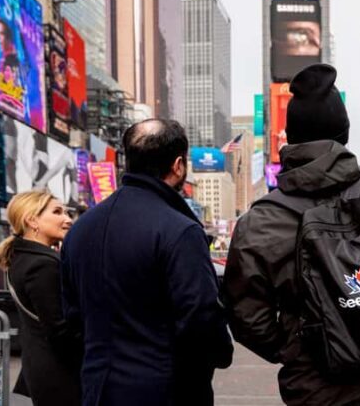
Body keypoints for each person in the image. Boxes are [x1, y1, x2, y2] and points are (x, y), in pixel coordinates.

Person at [222, 64, 360, 405]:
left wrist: (300, 346)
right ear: (343, 133)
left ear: (291, 139)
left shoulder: (259, 224)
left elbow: (248, 320)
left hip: (317, 391)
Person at [62, 119, 232, 406]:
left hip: (97, 388)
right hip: (165, 390)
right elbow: (201, 318)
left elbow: (72, 317)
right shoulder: (180, 230)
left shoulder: (80, 229)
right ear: (178, 165)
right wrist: (219, 354)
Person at [0, 190, 82, 406]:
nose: (67, 219)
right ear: (32, 220)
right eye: (57, 212)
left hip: (44, 367)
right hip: (60, 374)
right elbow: (59, 330)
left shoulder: (22, 257)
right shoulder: (42, 265)